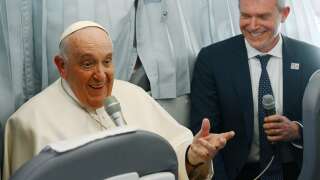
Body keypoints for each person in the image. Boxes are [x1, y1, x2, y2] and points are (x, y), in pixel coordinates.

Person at [2, 21, 235, 180]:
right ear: (62, 66)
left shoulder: (133, 95)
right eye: (87, 63)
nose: (101, 75)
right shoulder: (28, 122)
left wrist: (192, 156)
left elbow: (172, 155)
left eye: (107, 61)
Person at [190, 0, 320, 179]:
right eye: (245, 16)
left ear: (284, 14)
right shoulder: (212, 60)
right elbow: (205, 136)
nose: (252, 25)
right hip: (237, 173)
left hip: (297, 171)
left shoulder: (311, 57)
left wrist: (297, 130)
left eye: (262, 16)